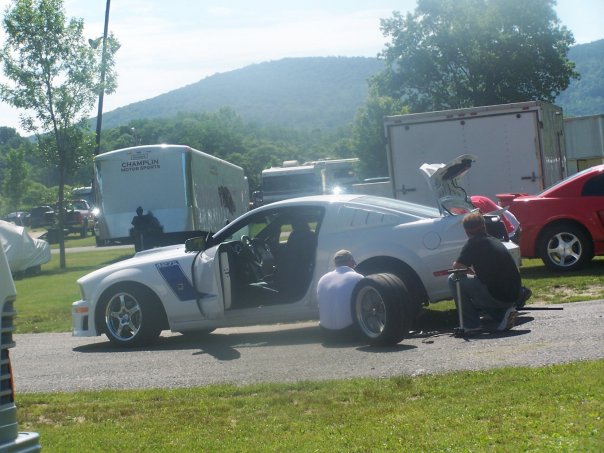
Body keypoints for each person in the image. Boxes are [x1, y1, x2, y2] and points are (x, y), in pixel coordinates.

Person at [448, 211, 526, 334]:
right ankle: (503, 315)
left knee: (453, 279)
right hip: (514, 294)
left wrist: (469, 272)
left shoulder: (473, 244)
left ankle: (471, 325)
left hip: (497, 295)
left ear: (466, 231)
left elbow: (457, 267)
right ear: (484, 226)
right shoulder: (495, 241)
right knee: (482, 285)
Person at [316, 250, 364, 342]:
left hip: (326, 334)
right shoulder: (357, 277)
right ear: (351, 262)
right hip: (349, 333)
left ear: (335, 264)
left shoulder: (322, 279)